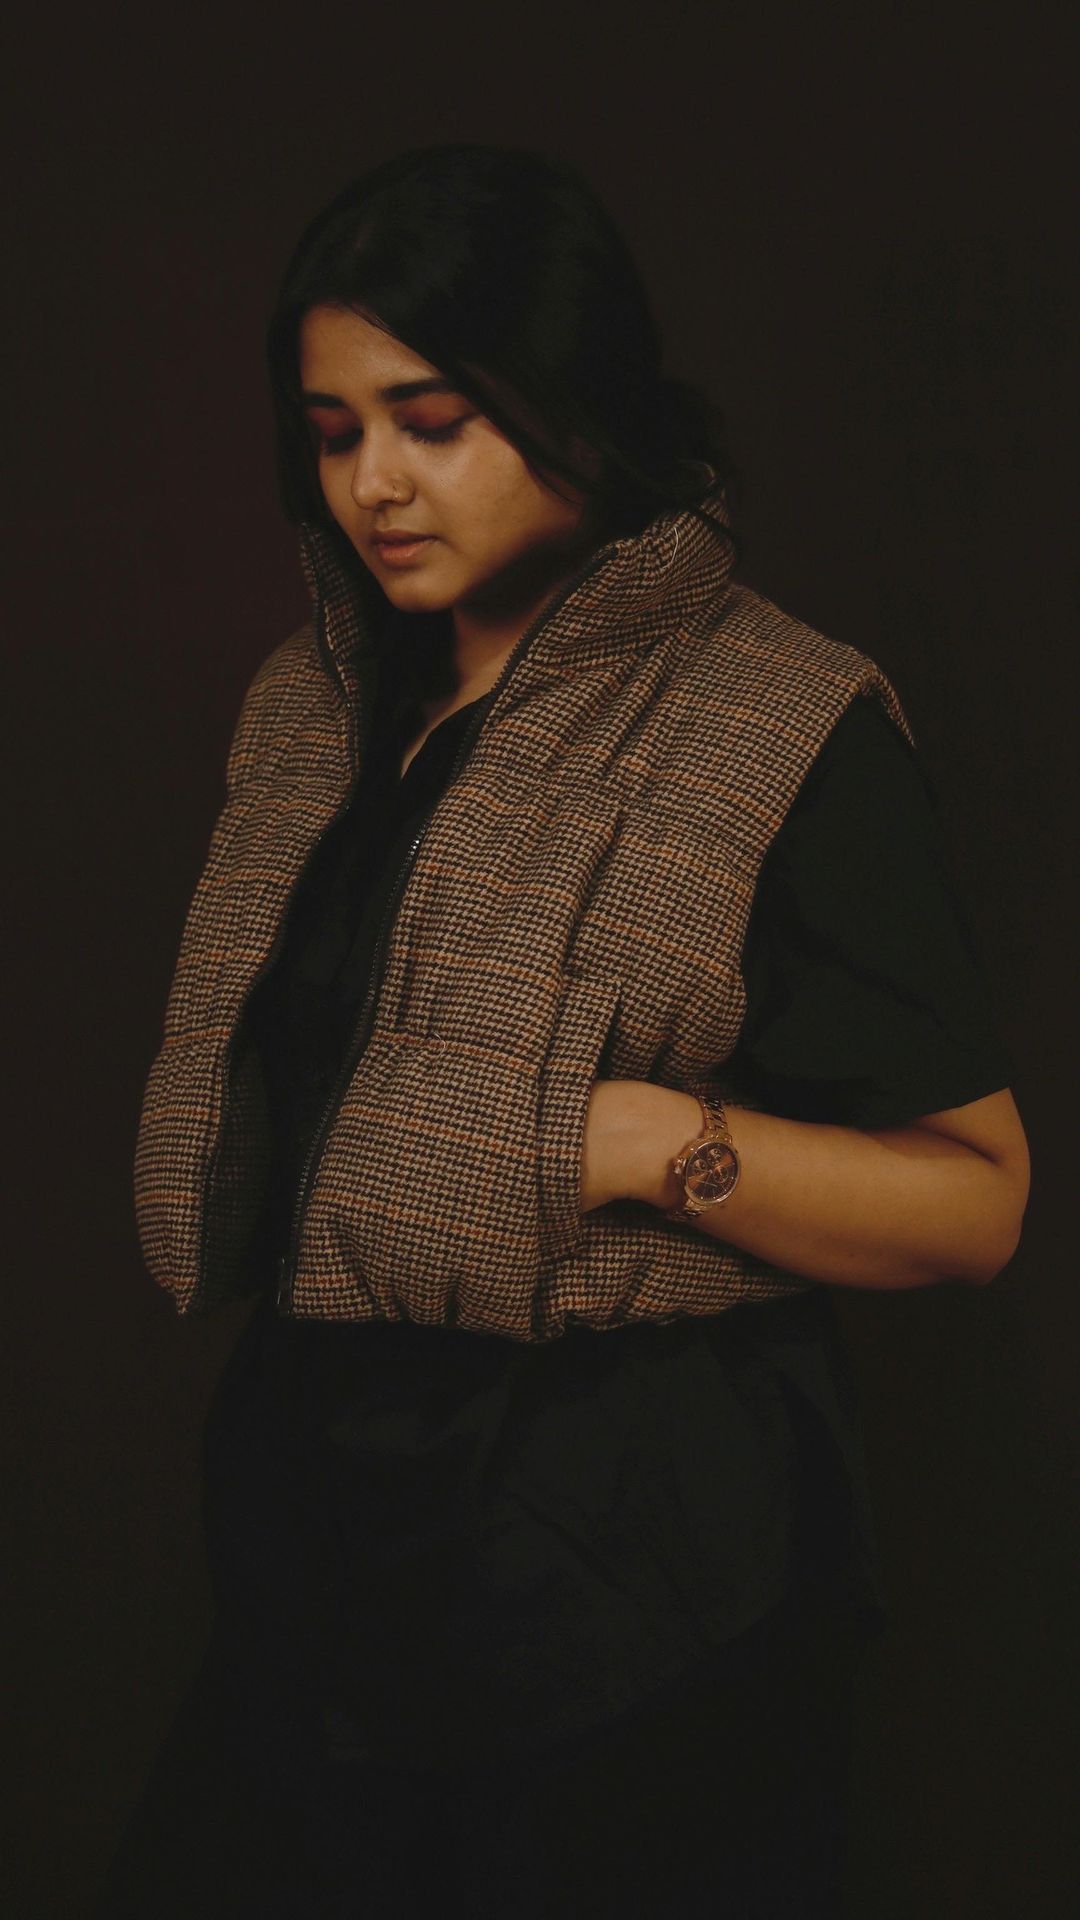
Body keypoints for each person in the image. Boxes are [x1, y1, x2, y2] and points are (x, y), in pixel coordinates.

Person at [100, 143, 1030, 1918]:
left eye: (433, 420)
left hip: (635, 1584)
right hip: (327, 1556)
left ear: (572, 399)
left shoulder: (786, 723)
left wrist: (639, 1140)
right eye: (331, 430)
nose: (374, 482)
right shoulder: (312, 705)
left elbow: (979, 1202)